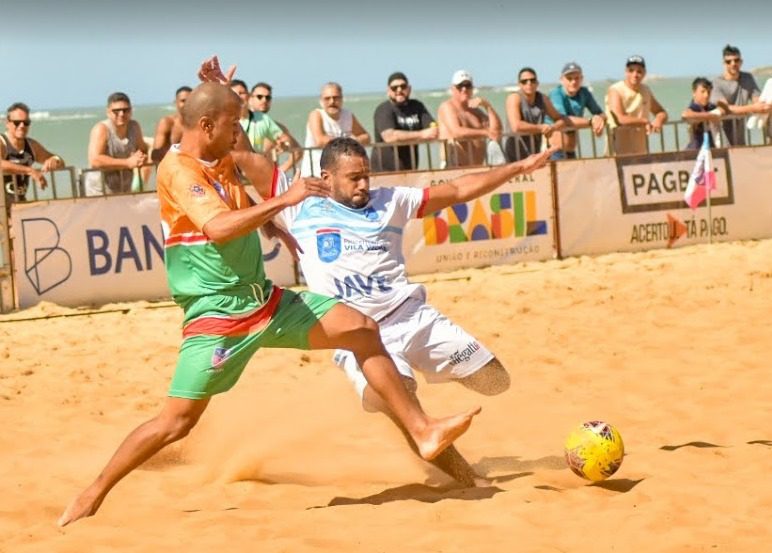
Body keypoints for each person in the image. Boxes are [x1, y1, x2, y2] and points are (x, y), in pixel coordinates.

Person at [58, 78, 479, 528]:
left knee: (361, 329)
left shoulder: (214, 152)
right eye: (233, 124)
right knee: (175, 423)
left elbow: (233, 180)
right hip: (219, 317)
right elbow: (218, 227)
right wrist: (284, 200)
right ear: (206, 125)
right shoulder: (178, 171)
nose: (239, 133)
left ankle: (423, 430)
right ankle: (92, 493)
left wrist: (268, 222)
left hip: (264, 300)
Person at [269, 136, 553, 485]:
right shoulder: (300, 205)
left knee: (495, 381)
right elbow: (240, 154)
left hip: (412, 317)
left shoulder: (391, 200)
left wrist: (520, 167)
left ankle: (425, 393)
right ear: (326, 177)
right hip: (358, 336)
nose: (363, 184)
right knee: (400, 398)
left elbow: (458, 190)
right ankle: (463, 475)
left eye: (367, 175)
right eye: (354, 178)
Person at [84, 92, 149, 196]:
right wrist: (127, 162)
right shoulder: (102, 129)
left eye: (125, 110)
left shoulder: (134, 127)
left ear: (131, 111)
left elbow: (142, 148)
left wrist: (142, 157)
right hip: (99, 192)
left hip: (124, 189)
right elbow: (95, 160)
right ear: (108, 112)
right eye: (116, 111)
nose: (121, 114)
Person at [371, 71, 437, 172]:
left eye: (403, 86)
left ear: (409, 89)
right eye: (394, 88)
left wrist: (434, 128)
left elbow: (432, 128)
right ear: (388, 91)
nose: (399, 90)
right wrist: (421, 134)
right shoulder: (383, 109)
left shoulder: (417, 106)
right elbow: (389, 136)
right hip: (384, 171)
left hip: (410, 169)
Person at [1, 102, 65, 207]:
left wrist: (55, 160)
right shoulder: (2, 143)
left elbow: (61, 163)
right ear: (7, 123)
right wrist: (30, 171)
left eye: (26, 122)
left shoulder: (31, 145)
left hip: (18, 207)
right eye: (17, 122)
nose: (22, 126)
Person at [301, 82, 370, 177]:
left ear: (342, 99)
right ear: (321, 100)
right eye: (327, 98)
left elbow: (366, 137)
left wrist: (353, 142)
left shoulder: (348, 115)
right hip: (316, 173)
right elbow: (320, 140)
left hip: (341, 174)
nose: (332, 102)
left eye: (336, 97)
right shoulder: (316, 115)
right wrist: (348, 143)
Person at [604, 55, 668, 156]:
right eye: (631, 70)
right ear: (626, 71)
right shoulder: (616, 90)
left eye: (639, 71)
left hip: (641, 151)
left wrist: (658, 120)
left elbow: (661, 112)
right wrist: (645, 122)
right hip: (617, 152)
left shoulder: (646, 90)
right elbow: (619, 119)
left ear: (644, 73)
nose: (635, 74)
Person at [437, 70, 502, 167]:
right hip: (453, 168)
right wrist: (485, 132)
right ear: (453, 89)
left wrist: (487, 106)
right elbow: (456, 132)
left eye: (467, 86)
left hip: (476, 168)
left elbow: (497, 130)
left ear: (472, 88)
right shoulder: (447, 107)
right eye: (460, 86)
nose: (464, 89)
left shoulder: (476, 111)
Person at [710, 44, 771, 146]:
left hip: (740, 135)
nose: (733, 64)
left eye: (736, 60)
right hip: (720, 135)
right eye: (729, 61)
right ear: (724, 64)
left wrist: (765, 106)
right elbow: (726, 108)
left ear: (741, 62)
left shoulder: (747, 78)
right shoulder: (717, 83)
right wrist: (753, 108)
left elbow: (757, 100)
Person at [504, 67, 567, 162]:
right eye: (524, 81)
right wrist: (541, 128)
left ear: (537, 83)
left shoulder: (543, 99)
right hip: (513, 156)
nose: (529, 83)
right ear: (519, 84)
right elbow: (516, 126)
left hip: (534, 156)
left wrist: (552, 128)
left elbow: (561, 119)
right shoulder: (514, 98)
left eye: (532, 80)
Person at [547, 62, 606, 160]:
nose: (573, 82)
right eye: (569, 79)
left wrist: (599, 120)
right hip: (554, 151)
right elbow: (562, 119)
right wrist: (591, 122)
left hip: (571, 151)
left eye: (577, 78)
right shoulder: (556, 93)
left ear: (581, 79)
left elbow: (601, 113)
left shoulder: (584, 93)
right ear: (561, 80)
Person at [249, 81, 302, 173]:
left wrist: (279, 172)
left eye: (268, 97)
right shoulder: (239, 123)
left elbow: (298, 151)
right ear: (250, 99)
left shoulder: (277, 127)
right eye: (259, 97)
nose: (264, 100)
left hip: (265, 180)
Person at [230, 79, 285, 155]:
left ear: (249, 95)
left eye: (241, 93)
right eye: (234, 94)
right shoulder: (224, 120)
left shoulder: (263, 119)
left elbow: (286, 142)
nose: (238, 97)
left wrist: (283, 145)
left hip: (255, 163)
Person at [682, 78, 728, 150]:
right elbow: (685, 114)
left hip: (710, 147)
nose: (706, 95)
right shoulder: (695, 107)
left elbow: (723, 110)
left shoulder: (710, 106)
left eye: (709, 92)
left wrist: (721, 106)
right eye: (702, 92)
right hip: (696, 149)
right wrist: (711, 116)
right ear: (694, 93)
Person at [151, 86, 192, 163]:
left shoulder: (197, 125)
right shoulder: (167, 123)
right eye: (183, 101)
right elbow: (155, 155)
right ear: (175, 102)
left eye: (190, 101)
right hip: (171, 170)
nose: (187, 104)